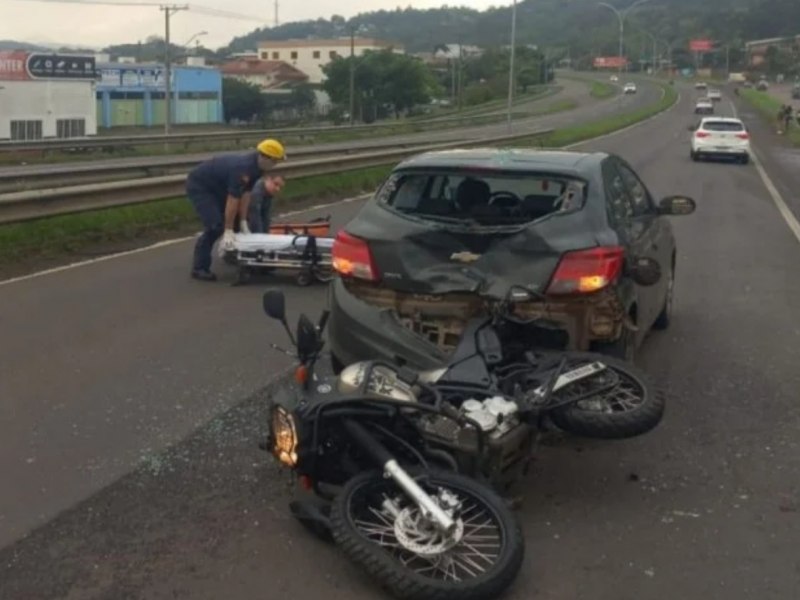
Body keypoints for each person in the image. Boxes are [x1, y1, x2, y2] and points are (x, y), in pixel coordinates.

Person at [185, 139, 286, 281]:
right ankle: (199, 267)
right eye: (275, 161)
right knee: (216, 226)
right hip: (202, 186)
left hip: (219, 185)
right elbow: (233, 199)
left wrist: (243, 220)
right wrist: (227, 229)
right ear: (265, 157)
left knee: (237, 222)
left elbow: (246, 194)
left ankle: (242, 260)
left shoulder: (257, 168)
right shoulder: (243, 168)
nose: (275, 165)